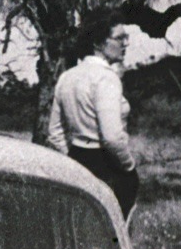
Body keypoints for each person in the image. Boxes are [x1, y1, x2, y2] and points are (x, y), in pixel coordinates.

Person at [47, 19, 139, 217]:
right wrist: (129, 166)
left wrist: (73, 162)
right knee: (114, 236)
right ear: (98, 43)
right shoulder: (106, 78)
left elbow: (54, 133)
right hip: (108, 167)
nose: (125, 43)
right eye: (119, 38)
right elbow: (112, 137)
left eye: (126, 37)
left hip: (76, 160)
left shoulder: (67, 77)